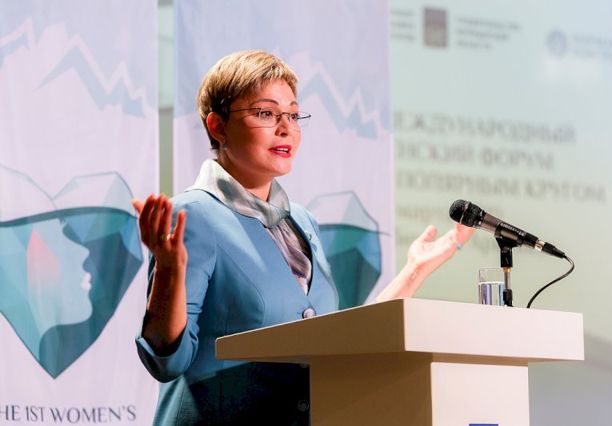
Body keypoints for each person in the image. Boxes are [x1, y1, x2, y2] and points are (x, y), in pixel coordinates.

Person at [133, 50, 473, 425]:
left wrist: (415, 270)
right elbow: (168, 361)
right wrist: (168, 271)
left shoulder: (301, 221)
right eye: (266, 113)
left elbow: (337, 339)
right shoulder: (193, 215)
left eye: (293, 115)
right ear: (218, 126)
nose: (286, 128)